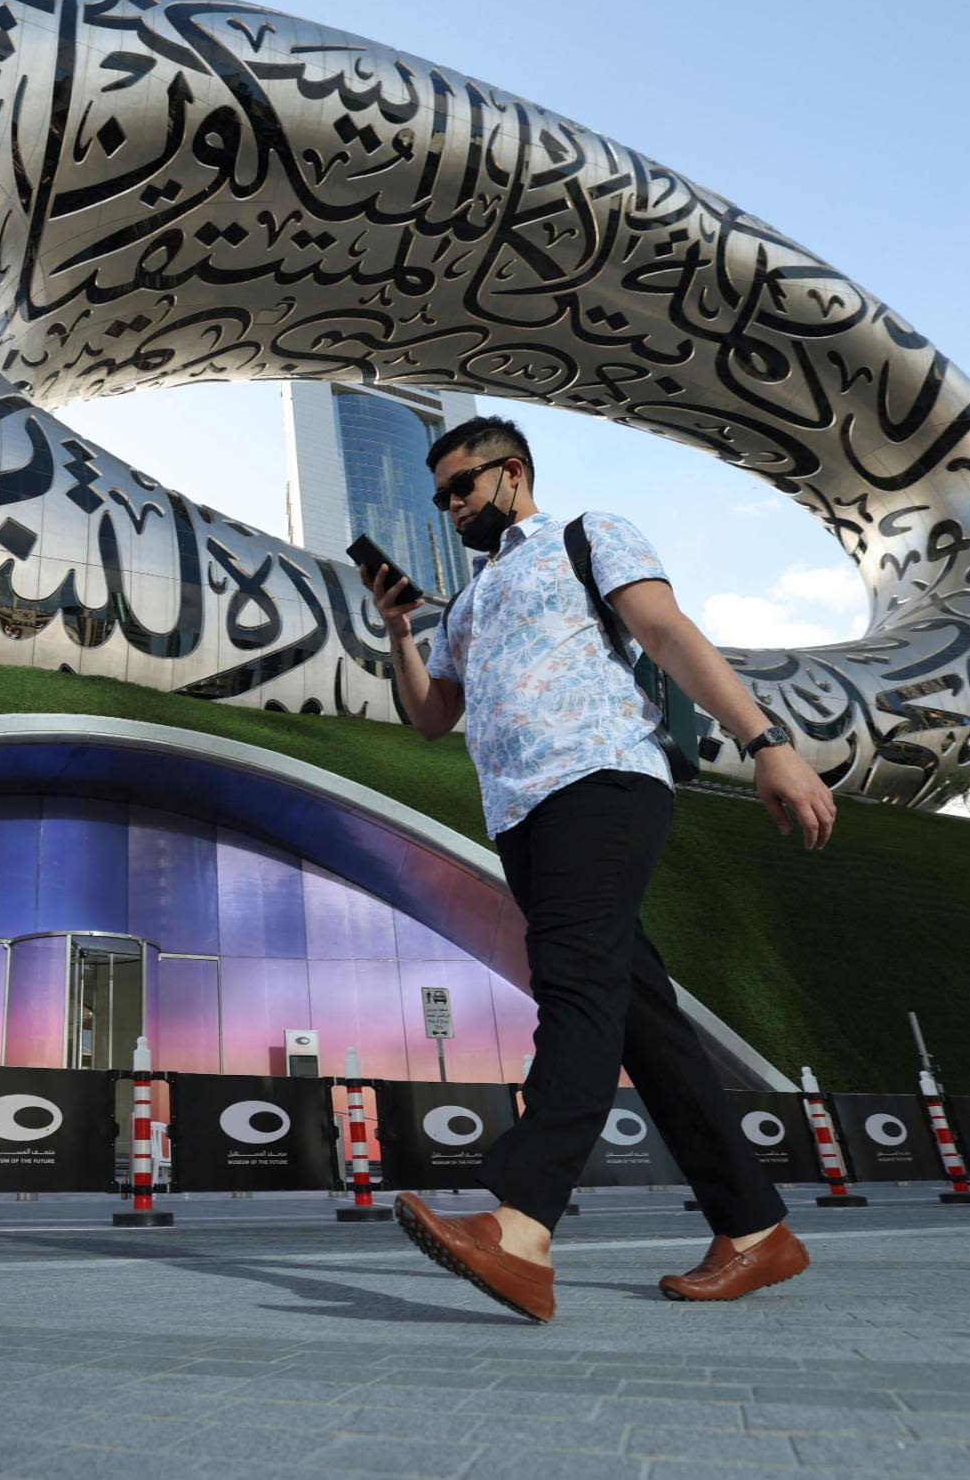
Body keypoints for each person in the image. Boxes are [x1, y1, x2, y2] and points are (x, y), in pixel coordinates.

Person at [361, 415, 837, 1324]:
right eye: (440, 497)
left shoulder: (589, 536)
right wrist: (400, 634)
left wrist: (767, 743)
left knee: (577, 986)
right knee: (640, 1018)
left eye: (462, 487)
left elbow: (663, 632)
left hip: (603, 778)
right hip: (520, 813)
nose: (451, 507)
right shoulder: (465, 603)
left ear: (511, 475)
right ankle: (755, 1229)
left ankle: (522, 1225)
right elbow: (430, 719)